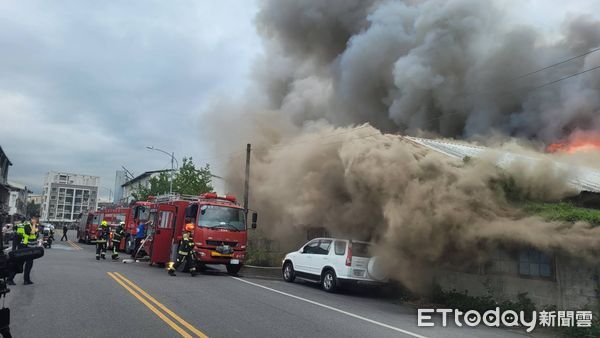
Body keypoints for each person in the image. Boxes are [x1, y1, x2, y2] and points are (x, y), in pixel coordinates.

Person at [8, 215, 39, 285]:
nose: (36, 219)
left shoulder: (34, 226)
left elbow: (35, 235)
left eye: (37, 218)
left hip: (31, 248)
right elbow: (31, 232)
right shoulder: (27, 226)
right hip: (24, 247)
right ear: (31, 219)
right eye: (35, 218)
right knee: (19, 264)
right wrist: (34, 225)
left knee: (29, 265)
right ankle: (9, 279)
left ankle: (26, 280)